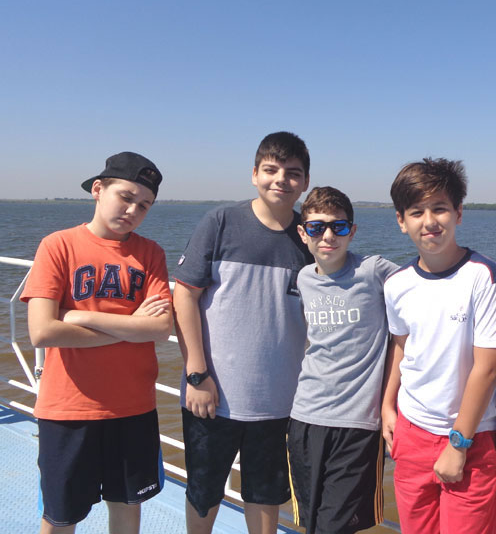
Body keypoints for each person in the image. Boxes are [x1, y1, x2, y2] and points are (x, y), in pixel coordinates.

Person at [21, 152, 172, 534]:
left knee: (127, 508)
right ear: (99, 189)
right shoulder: (58, 246)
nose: (133, 210)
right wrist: (132, 325)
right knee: (61, 517)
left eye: (144, 205)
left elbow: (160, 328)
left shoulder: (150, 253)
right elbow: (42, 331)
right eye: (126, 197)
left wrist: (79, 316)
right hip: (68, 410)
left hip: (134, 408)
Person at [173, 131, 312, 534]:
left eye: (292, 173)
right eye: (270, 170)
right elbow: (185, 297)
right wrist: (196, 374)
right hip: (211, 397)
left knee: (266, 494)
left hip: (280, 401)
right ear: (254, 174)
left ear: (305, 182)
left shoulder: (310, 238)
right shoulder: (221, 222)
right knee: (204, 491)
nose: (281, 180)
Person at [381, 157, 496, 534]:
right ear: (401, 220)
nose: (429, 221)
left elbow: (488, 368)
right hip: (411, 431)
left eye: (439, 208)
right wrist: (387, 406)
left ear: (458, 213)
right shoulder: (397, 284)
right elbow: (401, 348)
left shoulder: (483, 276)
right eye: (416, 212)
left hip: (470, 437)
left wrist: (458, 444)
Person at [287, 186, 398, 534]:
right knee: (312, 523)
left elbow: (427, 290)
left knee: (335, 527)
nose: (328, 236)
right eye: (317, 227)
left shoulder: (374, 270)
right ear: (303, 233)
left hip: (357, 424)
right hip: (304, 418)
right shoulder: (304, 278)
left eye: (339, 227)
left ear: (352, 231)